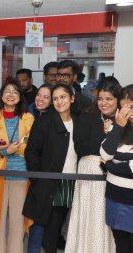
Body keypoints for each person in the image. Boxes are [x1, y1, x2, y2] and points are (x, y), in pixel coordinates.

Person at [65, 76, 120, 252]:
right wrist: (105, 139)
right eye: (101, 99)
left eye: (109, 99)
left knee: (108, 219)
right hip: (89, 173)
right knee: (89, 216)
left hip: (115, 176)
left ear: (118, 100)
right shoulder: (88, 116)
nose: (104, 103)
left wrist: (113, 133)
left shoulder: (124, 121)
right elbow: (80, 147)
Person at [23, 83, 78, 253]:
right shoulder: (44, 122)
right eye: (55, 98)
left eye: (63, 97)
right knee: (41, 222)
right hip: (47, 181)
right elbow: (31, 152)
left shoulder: (79, 121)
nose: (59, 101)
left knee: (56, 224)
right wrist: (38, 179)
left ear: (72, 99)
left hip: (69, 180)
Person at [0, 80, 34, 253]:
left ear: (20, 97)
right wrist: (5, 152)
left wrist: (13, 148)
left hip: (21, 174)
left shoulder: (28, 118)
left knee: (17, 221)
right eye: (7, 91)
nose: (11, 95)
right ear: (1, 95)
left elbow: (33, 146)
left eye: (15, 92)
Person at [100, 84, 133, 253]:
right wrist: (119, 126)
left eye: (131, 107)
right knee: (121, 245)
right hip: (114, 197)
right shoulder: (119, 128)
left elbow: (130, 169)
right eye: (124, 108)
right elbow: (104, 155)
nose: (127, 112)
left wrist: (110, 166)